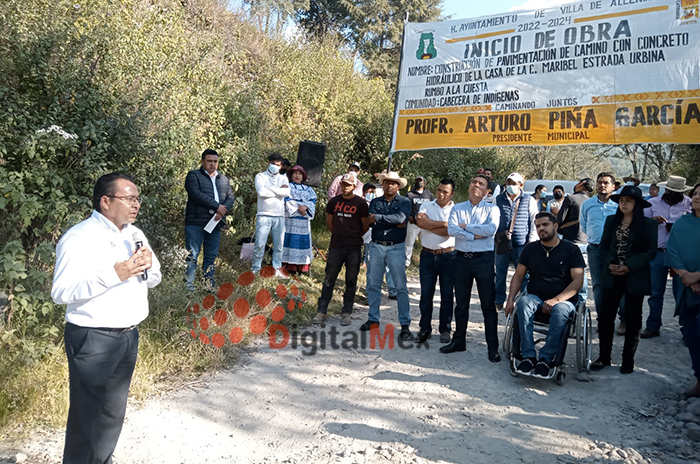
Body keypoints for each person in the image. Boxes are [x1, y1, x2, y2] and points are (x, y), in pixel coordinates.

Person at [52, 173, 162, 464]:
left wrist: (148, 268)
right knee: (86, 414)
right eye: (129, 198)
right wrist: (116, 274)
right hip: (93, 338)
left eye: (137, 198)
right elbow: (61, 292)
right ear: (105, 201)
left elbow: (154, 278)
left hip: (128, 336)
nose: (136, 204)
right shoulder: (79, 238)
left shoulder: (134, 234)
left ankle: (102, 459)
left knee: (113, 411)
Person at [505, 212, 585, 378]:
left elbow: (578, 281)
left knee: (561, 311)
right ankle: (528, 356)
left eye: (545, 225)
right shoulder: (530, 249)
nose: (541, 228)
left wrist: (556, 300)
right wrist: (510, 299)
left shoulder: (571, 250)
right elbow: (518, 276)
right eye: (538, 226)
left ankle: (546, 359)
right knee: (523, 303)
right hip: (536, 297)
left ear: (555, 226)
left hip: (563, 299)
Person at [591, 185, 657, 374]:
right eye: (621, 200)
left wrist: (629, 265)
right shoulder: (612, 221)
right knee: (605, 317)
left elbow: (650, 251)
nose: (623, 203)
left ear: (636, 204)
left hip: (634, 275)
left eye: (628, 200)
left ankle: (628, 360)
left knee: (633, 318)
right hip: (612, 275)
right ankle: (604, 357)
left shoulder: (649, 225)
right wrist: (610, 263)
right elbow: (602, 248)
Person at [441, 175, 501, 362]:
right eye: (474, 182)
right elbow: (452, 230)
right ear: (469, 187)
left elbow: (490, 230)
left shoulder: (493, 209)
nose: (476, 185)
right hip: (461, 260)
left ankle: (493, 347)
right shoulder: (457, 208)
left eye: (481, 184)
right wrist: (475, 235)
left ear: (486, 191)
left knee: (488, 305)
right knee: (461, 304)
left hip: (483, 260)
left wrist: (465, 227)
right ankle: (459, 341)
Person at [362, 171, 413, 340]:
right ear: (382, 184)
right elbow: (370, 221)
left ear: (398, 185)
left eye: (393, 183)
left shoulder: (405, 201)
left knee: (400, 287)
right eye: (387, 182)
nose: (390, 185)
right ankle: (373, 319)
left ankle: (405, 324)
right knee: (373, 284)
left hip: (396, 248)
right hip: (376, 246)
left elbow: (400, 220)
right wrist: (385, 220)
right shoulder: (375, 201)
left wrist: (378, 218)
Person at [313, 173, 370, 326]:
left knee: (351, 280)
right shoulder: (334, 202)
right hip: (336, 246)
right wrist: (339, 234)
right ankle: (321, 311)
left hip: (354, 247)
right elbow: (329, 223)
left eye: (348, 184)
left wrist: (354, 236)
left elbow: (365, 226)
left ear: (354, 186)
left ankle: (346, 312)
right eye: (343, 184)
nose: (345, 187)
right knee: (329, 279)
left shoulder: (361, 204)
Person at [641, 175, 693, 338]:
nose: (673, 193)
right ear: (666, 189)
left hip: (682, 256)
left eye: (677, 191)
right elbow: (639, 224)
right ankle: (653, 325)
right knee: (656, 292)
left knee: (683, 292)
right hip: (658, 253)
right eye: (671, 190)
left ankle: (687, 330)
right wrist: (652, 221)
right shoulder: (652, 203)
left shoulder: (690, 205)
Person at [665, 183, 700, 398]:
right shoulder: (681, 223)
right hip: (686, 287)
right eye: (695, 193)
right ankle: (699, 379)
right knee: (691, 333)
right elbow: (672, 251)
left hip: (693, 281)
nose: (697, 197)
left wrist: (697, 276)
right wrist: (687, 277)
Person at [184, 149, 235, 290]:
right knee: (192, 255)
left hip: (215, 223)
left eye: (215, 161)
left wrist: (222, 211)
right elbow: (195, 194)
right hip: (196, 222)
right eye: (209, 161)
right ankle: (189, 287)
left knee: (211, 256)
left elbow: (230, 197)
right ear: (202, 161)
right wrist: (217, 206)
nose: (212, 164)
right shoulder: (193, 175)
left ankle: (208, 286)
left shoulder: (223, 179)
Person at [415, 179, 456, 344]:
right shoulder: (427, 205)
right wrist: (443, 224)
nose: (441, 194)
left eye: (445, 192)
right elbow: (420, 222)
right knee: (426, 294)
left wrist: (430, 225)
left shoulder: (456, 209)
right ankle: (424, 328)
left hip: (448, 256)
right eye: (439, 190)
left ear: (451, 193)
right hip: (427, 255)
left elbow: (449, 231)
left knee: (447, 295)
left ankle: (445, 329)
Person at [494, 172, 538, 311]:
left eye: (514, 183)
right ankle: (498, 300)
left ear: (521, 185)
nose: (511, 186)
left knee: (523, 274)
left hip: (521, 244)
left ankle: (523, 300)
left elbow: (534, 220)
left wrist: (531, 240)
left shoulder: (528, 199)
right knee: (500, 273)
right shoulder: (498, 199)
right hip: (502, 243)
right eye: (509, 183)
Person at [580, 173, 619, 327]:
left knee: (617, 284)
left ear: (613, 186)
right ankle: (603, 320)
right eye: (600, 182)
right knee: (598, 285)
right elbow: (583, 224)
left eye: (606, 183)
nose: (602, 185)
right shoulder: (587, 204)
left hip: (615, 249)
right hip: (595, 248)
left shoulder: (618, 205)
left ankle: (622, 319)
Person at [252, 153, 291, 277]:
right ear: (268, 163)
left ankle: (276, 268)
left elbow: (286, 192)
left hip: (279, 216)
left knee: (279, 245)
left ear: (281, 166)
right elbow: (261, 192)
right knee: (260, 243)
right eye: (273, 164)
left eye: (278, 165)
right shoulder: (260, 176)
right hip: (264, 215)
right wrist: (278, 191)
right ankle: (255, 268)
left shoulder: (283, 178)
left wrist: (271, 188)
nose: (275, 166)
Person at [557, 177, 593, 302]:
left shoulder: (571, 198)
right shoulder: (591, 201)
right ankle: (582, 301)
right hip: (587, 241)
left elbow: (560, 220)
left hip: (571, 241)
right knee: (581, 272)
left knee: (565, 272)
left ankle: (565, 298)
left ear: (582, 184)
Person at [282, 165, 316, 274]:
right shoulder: (286, 187)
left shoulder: (308, 189)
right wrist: (297, 207)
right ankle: (286, 264)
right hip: (290, 220)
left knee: (302, 241)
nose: (297, 175)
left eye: (300, 173)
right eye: (295, 173)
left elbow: (312, 201)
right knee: (289, 239)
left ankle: (300, 267)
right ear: (291, 175)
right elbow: (286, 199)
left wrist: (306, 207)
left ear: (303, 176)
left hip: (303, 220)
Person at [405, 175, 434, 266]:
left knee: (426, 244)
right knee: (409, 243)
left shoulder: (429, 195)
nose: (419, 182)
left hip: (425, 223)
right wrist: (409, 217)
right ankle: (406, 262)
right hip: (413, 223)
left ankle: (426, 262)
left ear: (424, 182)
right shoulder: (410, 194)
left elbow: (433, 207)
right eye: (417, 181)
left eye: (420, 180)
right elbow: (405, 208)